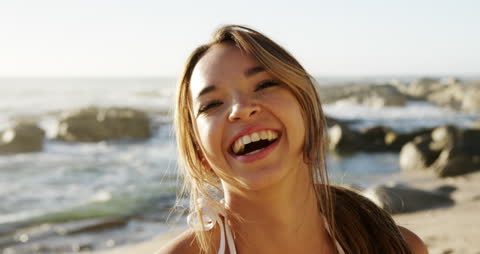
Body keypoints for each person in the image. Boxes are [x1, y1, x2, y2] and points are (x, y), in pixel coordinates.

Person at [157, 25, 428, 254]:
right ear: (199, 152)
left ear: (308, 115)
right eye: (212, 104)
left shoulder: (395, 247)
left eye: (264, 85)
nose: (241, 108)